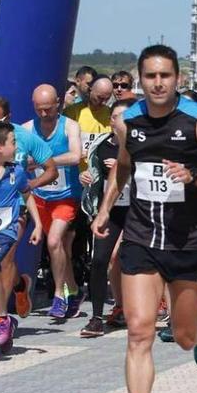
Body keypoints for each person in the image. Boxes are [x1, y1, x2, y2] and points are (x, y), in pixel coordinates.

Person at [91, 45, 197, 393]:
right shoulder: (128, 120)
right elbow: (125, 166)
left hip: (188, 240)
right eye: (150, 76)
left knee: (183, 337)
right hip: (141, 236)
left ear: (178, 78)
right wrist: (107, 208)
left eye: (165, 76)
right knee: (139, 330)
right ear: (140, 79)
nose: (158, 83)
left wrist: (194, 176)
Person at [0, 96, 57, 325]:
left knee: (5, 260)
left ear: (9, 118)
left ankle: (0, 318)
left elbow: (51, 170)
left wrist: (26, 187)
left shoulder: (22, 138)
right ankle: (20, 284)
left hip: (16, 209)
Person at [23, 85, 83, 319]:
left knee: (55, 241)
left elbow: (75, 156)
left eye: (48, 109)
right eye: (39, 110)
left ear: (58, 103)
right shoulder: (28, 128)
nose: (44, 114)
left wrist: (45, 163)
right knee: (59, 249)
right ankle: (75, 291)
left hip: (65, 195)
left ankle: (59, 295)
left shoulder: (69, 126)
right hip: (39, 197)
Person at [79, 99, 135, 337]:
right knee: (100, 259)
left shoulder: (140, 147)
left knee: (129, 259)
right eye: (115, 117)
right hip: (108, 210)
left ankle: (137, 310)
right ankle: (96, 317)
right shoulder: (101, 146)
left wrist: (124, 168)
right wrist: (87, 177)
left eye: (124, 117)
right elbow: (92, 172)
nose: (118, 121)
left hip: (136, 210)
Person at [0, 122, 43, 354]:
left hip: (5, 231)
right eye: (13, 142)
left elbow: (27, 195)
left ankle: (0, 319)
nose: (16, 146)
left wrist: (38, 224)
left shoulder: (17, 171)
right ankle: (5, 321)